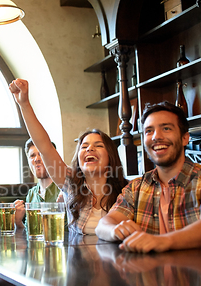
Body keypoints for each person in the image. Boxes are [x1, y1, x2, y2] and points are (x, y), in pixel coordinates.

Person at [95, 101, 201, 253]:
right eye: (149, 131)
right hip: (150, 274)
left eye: (166, 128)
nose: (156, 136)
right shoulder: (135, 187)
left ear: (185, 138)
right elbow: (104, 224)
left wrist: (162, 241)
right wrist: (115, 230)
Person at [9, 78, 127, 235]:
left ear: (111, 156)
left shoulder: (127, 192)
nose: (89, 149)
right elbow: (44, 147)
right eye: (84, 147)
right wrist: (24, 104)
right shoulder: (71, 185)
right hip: (78, 259)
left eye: (98, 145)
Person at [13, 138, 62, 228]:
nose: (36, 159)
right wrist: (18, 222)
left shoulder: (64, 188)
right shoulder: (31, 194)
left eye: (41, 154)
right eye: (32, 155)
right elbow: (29, 234)